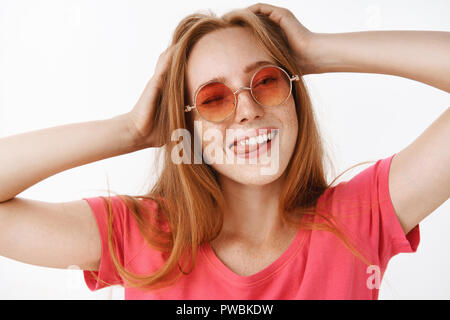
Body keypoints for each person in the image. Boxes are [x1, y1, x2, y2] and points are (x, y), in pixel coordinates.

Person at [0, 3, 448, 300]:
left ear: (294, 94)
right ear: (188, 124)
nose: (248, 110)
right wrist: (131, 130)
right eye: (214, 98)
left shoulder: (359, 217)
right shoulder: (139, 235)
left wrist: (316, 52)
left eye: (268, 81)